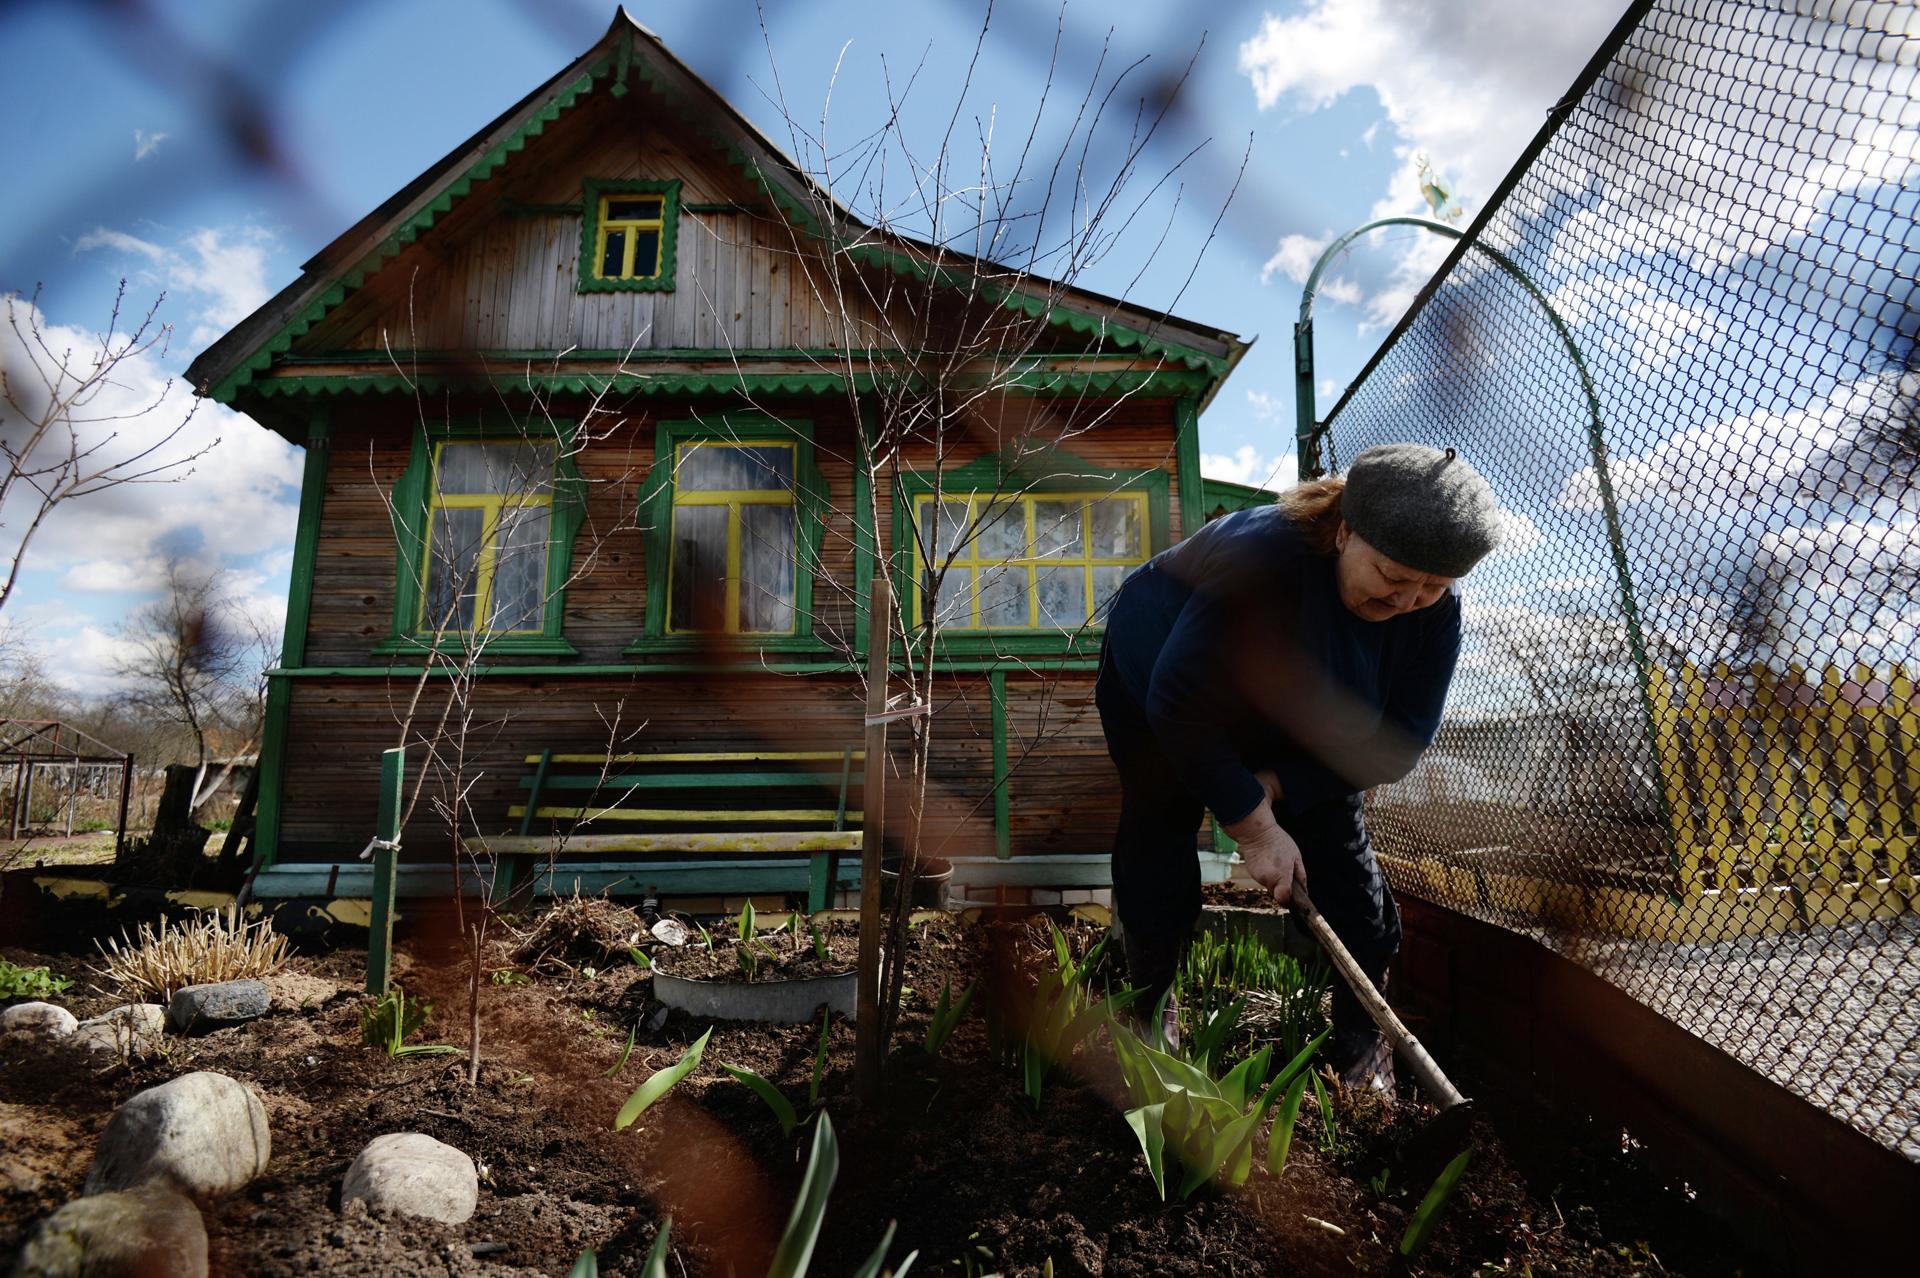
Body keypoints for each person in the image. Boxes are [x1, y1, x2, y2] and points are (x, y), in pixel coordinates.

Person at [1095, 442, 1502, 1090]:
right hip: (1163, 685)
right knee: (1161, 828)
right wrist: (1254, 826)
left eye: (1431, 587)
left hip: (1300, 724)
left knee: (1350, 884)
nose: (1407, 600)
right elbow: (1178, 698)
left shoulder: (1433, 617)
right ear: (1345, 531)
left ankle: (1362, 1047)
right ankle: (1148, 1007)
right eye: (1393, 576)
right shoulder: (1263, 557)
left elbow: (1397, 743)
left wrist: (1284, 785)